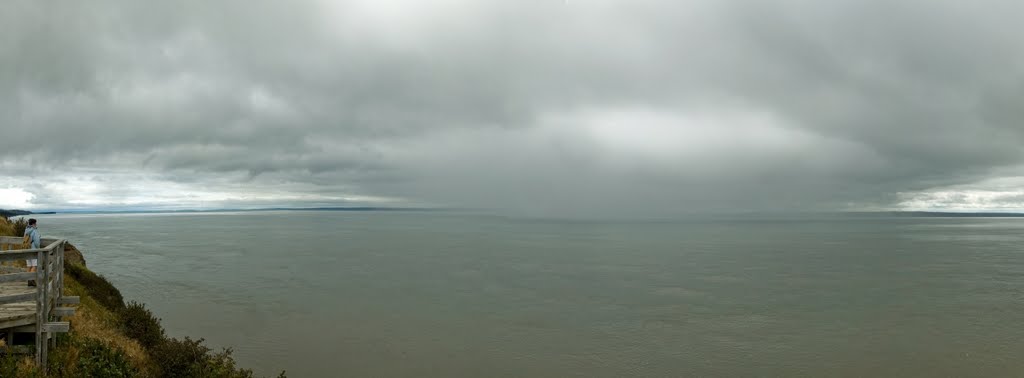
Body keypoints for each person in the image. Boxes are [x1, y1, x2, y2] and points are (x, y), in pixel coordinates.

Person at [23, 218, 40, 287]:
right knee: (34, 265)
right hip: (33, 250)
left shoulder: (26, 230)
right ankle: (31, 280)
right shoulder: (34, 231)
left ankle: (28, 280)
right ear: (33, 224)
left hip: (27, 249)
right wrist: (38, 248)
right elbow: (36, 242)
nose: (36, 224)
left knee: (29, 265)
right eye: (35, 223)